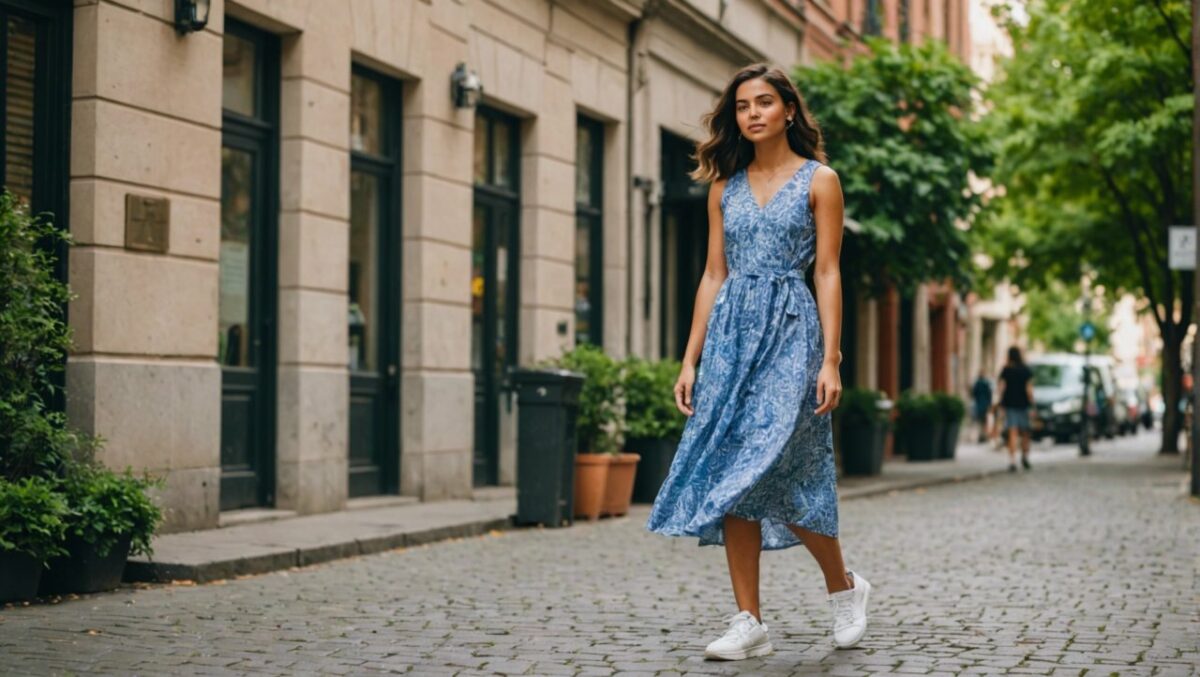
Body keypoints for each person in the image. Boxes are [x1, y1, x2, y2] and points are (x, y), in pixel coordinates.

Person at [644, 63, 869, 660]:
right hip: (730, 340)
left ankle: (843, 588)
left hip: (792, 334)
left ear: (788, 110)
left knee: (788, 470)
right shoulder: (723, 187)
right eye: (743, 105)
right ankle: (750, 620)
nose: (752, 113)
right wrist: (689, 359)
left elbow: (827, 270)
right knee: (734, 476)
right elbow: (713, 273)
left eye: (764, 102)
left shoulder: (821, 180)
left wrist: (831, 359)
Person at [995, 346, 1034, 472]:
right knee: (1025, 432)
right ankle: (1025, 456)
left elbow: (1001, 387)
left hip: (1010, 405)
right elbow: (1029, 389)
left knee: (1012, 432)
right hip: (1023, 405)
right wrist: (1033, 404)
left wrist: (1000, 402)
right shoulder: (1025, 370)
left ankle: (1012, 461)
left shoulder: (1006, 370)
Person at [971, 371, 993, 443]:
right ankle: (984, 435)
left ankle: (981, 436)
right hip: (985, 405)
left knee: (980, 421)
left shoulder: (977, 384)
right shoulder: (986, 383)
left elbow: (973, 394)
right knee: (985, 421)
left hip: (979, 405)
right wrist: (989, 404)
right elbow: (989, 395)